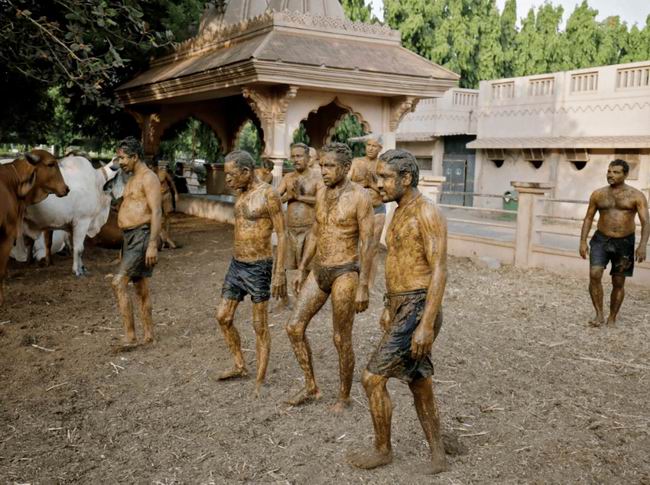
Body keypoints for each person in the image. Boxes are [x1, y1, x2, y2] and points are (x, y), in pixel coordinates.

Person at [347, 149, 448, 474]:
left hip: (419, 306)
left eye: (386, 178)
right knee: (419, 382)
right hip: (402, 304)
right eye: (377, 177)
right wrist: (389, 305)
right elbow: (398, 262)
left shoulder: (427, 211)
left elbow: (439, 269)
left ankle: (383, 450)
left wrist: (426, 324)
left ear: (406, 178)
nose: (378, 184)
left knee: (372, 379)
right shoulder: (399, 210)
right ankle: (439, 454)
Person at [285, 142, 374, 412]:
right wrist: (302, 268)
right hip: (319, 269)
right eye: (322, 165)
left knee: (340, 338)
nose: (323, 170)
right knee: (294, 327)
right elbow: (316, 231)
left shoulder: (360, 196)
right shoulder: (322, 193)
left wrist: (364, 285)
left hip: (345, 271)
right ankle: (311, 386)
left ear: (346, 168)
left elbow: (368, 243)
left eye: (330, 166)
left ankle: (344, 396)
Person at [216, 150, 288, 397]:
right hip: (237, 264)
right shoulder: (241, 192)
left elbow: (283, 234)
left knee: (259, 325)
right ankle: (239, 365)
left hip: (259, 266)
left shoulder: (269, 194)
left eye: (231, 175)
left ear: (246, 172)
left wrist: (279, 273)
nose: (227, 180)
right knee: (223, 317)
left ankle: (260, 378)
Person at [579, 159, 649, 327]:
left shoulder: (636, 196)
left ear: (625, 174)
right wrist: (582, 241)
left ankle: (612, 317)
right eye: (609, 171)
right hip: (601, 240)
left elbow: (646, 222)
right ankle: (599, 314)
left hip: (624, 243)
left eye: (616, 172)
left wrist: (642, 245)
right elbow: (588, 217)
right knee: (594, 274)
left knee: (618, 282)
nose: (611, 175)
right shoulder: (598, 194)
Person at [111, 137, 162, 346]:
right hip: (129, 238)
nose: (120, 162)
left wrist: (152, 244)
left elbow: (157, 211)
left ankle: (130, 336)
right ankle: (148, 334)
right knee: (140, 287)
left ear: (134, 157)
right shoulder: (132, 178)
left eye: (123, 158)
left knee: (118, 283)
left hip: (142, 236)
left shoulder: (149, 178)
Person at [277, 143, 322, 273]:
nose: (296, 159)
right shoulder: (287, 177)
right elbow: (274, 200)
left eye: (299, 156)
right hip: (290, 229)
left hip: (310, 230)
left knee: (308, 270)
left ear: (308, 158)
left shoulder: (317, 177)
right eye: (293, 156)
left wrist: (299, 197)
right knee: (284, 268)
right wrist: (288, 197)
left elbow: (322, 201)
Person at [349, 137, 385, 288]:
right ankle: (353, 279)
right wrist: (360, 184)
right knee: (354, 245)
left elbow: (386, 190)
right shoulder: (356, 162)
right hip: (357, 209)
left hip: (377, 209)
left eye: (374, 146)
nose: (370, 148)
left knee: (373, 247)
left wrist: (371, 184)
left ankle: (369, 284)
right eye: (368, 145)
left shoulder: (383, 165)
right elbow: (347, 183)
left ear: (380, 148)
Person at [156, 162, 179, 249]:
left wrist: (176, 193)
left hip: (166, 195)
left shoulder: (163, 172)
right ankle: (165, 239)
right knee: (159, 218)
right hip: (157, 197)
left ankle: (167, 236)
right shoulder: (149, 175)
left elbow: (171, 182)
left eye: (151, 166)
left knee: (167, 217)